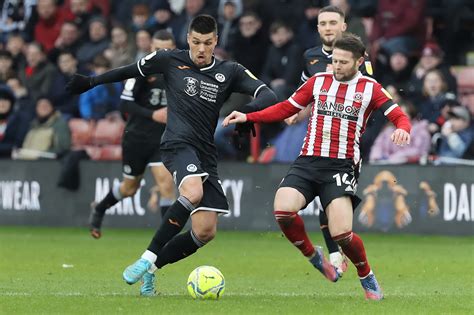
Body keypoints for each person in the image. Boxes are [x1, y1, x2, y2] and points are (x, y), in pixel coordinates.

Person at [66, 15, 277, 296]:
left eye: (208, 43)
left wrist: (248, 113)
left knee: (204, 232)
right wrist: (91, 81)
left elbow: (268, 94)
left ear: (216, 42)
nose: (201, 49)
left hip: (205, 153)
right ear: (188, 39)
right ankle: (147, 258)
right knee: (192, 192)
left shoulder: (231, 71)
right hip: (177, 143)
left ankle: (151, 272)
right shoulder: (168, 60)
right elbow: (129, 70)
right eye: (196, 42)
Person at [223, 33, 411, 300]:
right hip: (308, 161)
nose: (337, 66)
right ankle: (314, 256)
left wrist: (403, 129)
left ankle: (366, 275)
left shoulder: (371, 88)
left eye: (344, 62)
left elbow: (398, 115)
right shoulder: (318, 81)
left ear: (359, 61)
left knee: (342, 234)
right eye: (334, 60)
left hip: (341, 166)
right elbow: (287, 108)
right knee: (283, 210)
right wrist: (248, 115)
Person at [288, 5, 374, 276]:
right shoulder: (310, 57)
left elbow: (369, 94)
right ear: (318, 28)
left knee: (332, 202)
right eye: (323, 23)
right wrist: (296, 113)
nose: (327, 27)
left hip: (347, 144)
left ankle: (343, 255)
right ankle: (336, 255)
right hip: (317, 139)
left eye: (332, 22)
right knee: (320, 199)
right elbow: (305, 94)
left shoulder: (360, 57)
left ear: (343, 26)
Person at [89, 30, 178, 240]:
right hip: (136, 137)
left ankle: (166, 239)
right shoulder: (142, 70)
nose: (162, 53)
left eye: (167, 49)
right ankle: (100, 208)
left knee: (166, 185)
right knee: (129, 188)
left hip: (162, 139)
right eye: (158, 49)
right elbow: (125, 103)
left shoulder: (180, 73)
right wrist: (152, 114)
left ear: (174, 49)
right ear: (151, 49)